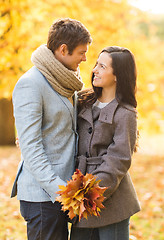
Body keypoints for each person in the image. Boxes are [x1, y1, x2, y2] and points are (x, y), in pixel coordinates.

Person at [11, 18, 92, 240]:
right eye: (81, 52)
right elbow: (32, 149)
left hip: (66, 192)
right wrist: (62, 191)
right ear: (63, 49)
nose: (85, 58)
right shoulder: (31, 84)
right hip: (43, 196)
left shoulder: (67, 81)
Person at [70, 46, 141, 240]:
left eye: (102, 66)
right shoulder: (82, 101)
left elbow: (118, 159)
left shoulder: (126, 113)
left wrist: (90, 193)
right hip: (79, 198)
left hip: (112, 201)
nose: (94, 70)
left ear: (117, 75)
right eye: (96, 64)